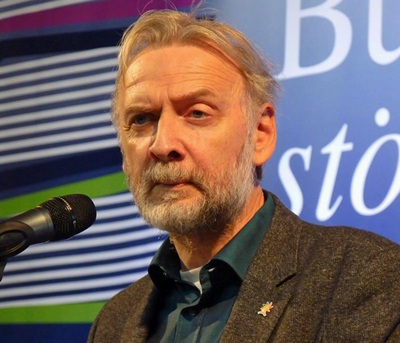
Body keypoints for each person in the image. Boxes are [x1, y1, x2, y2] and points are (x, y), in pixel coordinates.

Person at [88, 9, 400, 343]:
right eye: (141, 119)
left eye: (197, 113)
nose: (163, 144)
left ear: (261, 133)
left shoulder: (369, 279)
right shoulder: (114, 322)